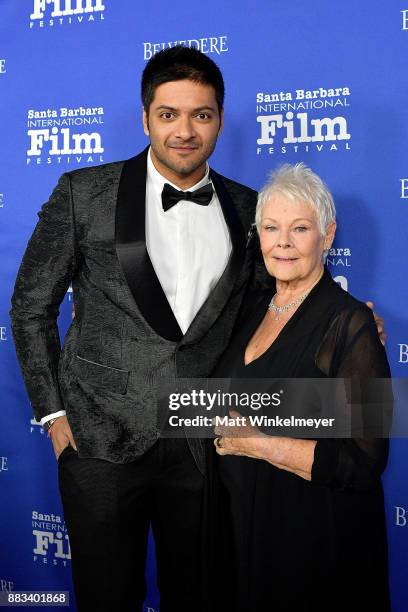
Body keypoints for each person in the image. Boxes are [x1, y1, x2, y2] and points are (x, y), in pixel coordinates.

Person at [10, 46, 258, 612]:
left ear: (220, 119)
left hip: (204, 442)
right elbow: (29, 307)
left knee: (200, 596)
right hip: (99, 440)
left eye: (202, 114)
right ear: (146, 117)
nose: (185, 131)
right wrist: (54, 416)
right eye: (169, 114)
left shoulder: (249, 208)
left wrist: (341, 319)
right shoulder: (84, 193)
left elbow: (268, 309)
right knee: (106, 596)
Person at [213, 163, 391, 612]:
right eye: (271, 228)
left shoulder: (352, 323)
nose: (283, 242)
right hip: (248, 536)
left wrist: (259, 445)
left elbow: (364, 461)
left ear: (327, 236)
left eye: (300, 228)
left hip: (316, 546)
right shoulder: (252, 310)